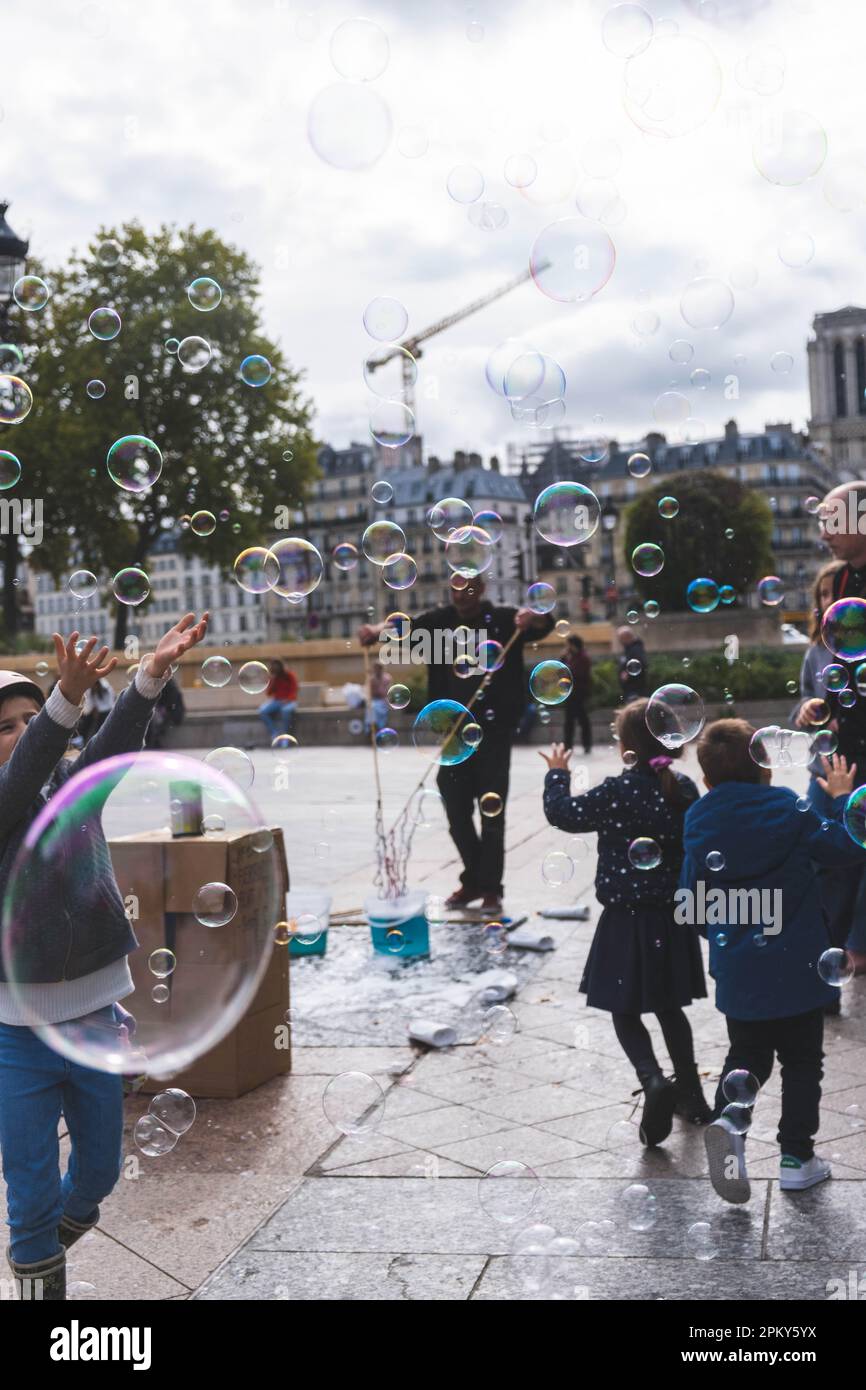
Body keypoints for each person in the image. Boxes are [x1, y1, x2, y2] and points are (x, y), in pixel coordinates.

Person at [0, 613, 209, 1300]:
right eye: (6, 725)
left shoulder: (71, 793)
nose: (23, 734)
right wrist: (61, 702)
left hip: (95, 1018)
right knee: (28, 1183)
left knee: (98, 1174)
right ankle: (37, 1273)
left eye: (29, 718)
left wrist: (149, 676)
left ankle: (53, 1234)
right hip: (15, 1036)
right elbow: (28, 764)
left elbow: (111, 743)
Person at [680, 718, 863, 1204]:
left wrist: (728, 936)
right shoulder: (790, 810)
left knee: (746, 1057)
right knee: (803, 1061)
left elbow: (691, 905)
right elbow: (845, 848)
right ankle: (796, 1160)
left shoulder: (698, 820)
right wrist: (843, 797)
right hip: (801, 966)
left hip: (740, 971)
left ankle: (728, 1126)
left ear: (706, 779)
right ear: (765, 768)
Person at [541, 698, 709, 1146]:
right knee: (671, 1008)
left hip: (626, 918)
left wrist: (558, 772)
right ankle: (692, 1095)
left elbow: (562, 814)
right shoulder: (685, 788)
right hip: (673, 918)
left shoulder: (619, 791)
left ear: (627, 747)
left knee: (624, 1008)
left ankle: (653, 1079)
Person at [358, 575, 553, 914]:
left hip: (492, 731)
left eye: (469, 588)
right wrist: (375, 631)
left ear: (482, 589)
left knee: (492, 811)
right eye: (455, 588)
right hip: (452, 730)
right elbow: (402, 628)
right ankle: (476, 879)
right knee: (455, 808)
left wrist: (533, 616)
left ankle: (489, 887)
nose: (462, 595)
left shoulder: (504, 621)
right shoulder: (440, 623)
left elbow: (541, 624)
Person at [796, 481, 866, 967]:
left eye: (832, 521)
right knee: (823, 855)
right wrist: (816, 709)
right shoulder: (839, 583)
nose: (823, 533)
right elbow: (833, 662)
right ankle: (826, 954)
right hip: (839, 751)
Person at [561, 635, 592, 754]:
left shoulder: (583, 657)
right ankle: (568, 745)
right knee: (569, 721)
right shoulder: (571, 657)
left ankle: (587, 744)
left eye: (568, 644)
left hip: (579, 694)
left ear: (573, 645)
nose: (566, 647)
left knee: (583, 720)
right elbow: (561, 668)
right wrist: (563, 657)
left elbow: (576, 674)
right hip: (571, 694)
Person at [258, 659, 298, 742]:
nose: (275, 668)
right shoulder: (273, 677)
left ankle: (285, 736)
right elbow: (269, 693)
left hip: (290, 701)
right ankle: (274, 733)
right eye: (274, 666)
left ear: (281, 666)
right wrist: (273, 680)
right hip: (277, 701)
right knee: (262, 711)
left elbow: (294, 690)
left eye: (277, 666)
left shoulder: (289, 675)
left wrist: (287, 700)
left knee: (285, 711)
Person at [144, 674, 185, 750]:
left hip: (170, 713)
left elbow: (171, 703)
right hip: (167, 711)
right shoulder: (163, 679)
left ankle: (153, 743)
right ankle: (153, 743)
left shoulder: (164, 680)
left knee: (151, 717)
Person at [616, 625, 648, 703]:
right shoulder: (629, 649)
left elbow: (641, 664)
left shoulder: (636, 649)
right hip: (630, 688)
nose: (619, 641)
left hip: (635, 689)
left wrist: (627, 674)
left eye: (620, 638)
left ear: (627, 637)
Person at [79, 677, 115, 745]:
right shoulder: (90, 690)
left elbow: (110, 704)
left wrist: (98, 709)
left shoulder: (106, 689)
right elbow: (88, 706)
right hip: (93, 714)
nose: (94, 687)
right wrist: (91, 710)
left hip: (105, 714)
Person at [365, 662, 392, 734]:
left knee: (375, 707)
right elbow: (371, 693)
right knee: (372, 706)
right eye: (375, 668)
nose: (377, 670)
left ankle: (377, 726)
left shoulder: (387, 678)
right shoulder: (372, 679)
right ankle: (372, 726)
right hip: (375, 700)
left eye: (378, 668)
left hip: (384, 700)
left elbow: (389, 691)